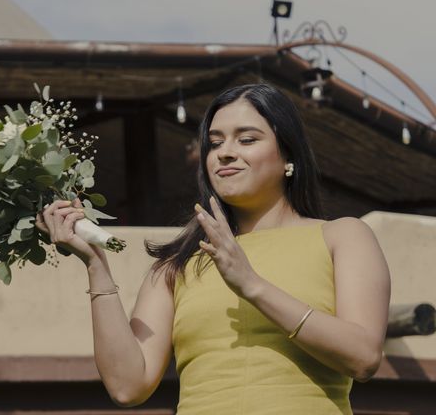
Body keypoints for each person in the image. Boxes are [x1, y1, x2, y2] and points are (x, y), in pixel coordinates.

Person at [35, 83, 391, 414]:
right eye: (215, 143)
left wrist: (251, 285)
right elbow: (128, 386)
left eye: (247, 139)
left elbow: (363, 357)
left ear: (288, 157)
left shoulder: (342, 237)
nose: (225, 154)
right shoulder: (178, 263)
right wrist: (96, 265)